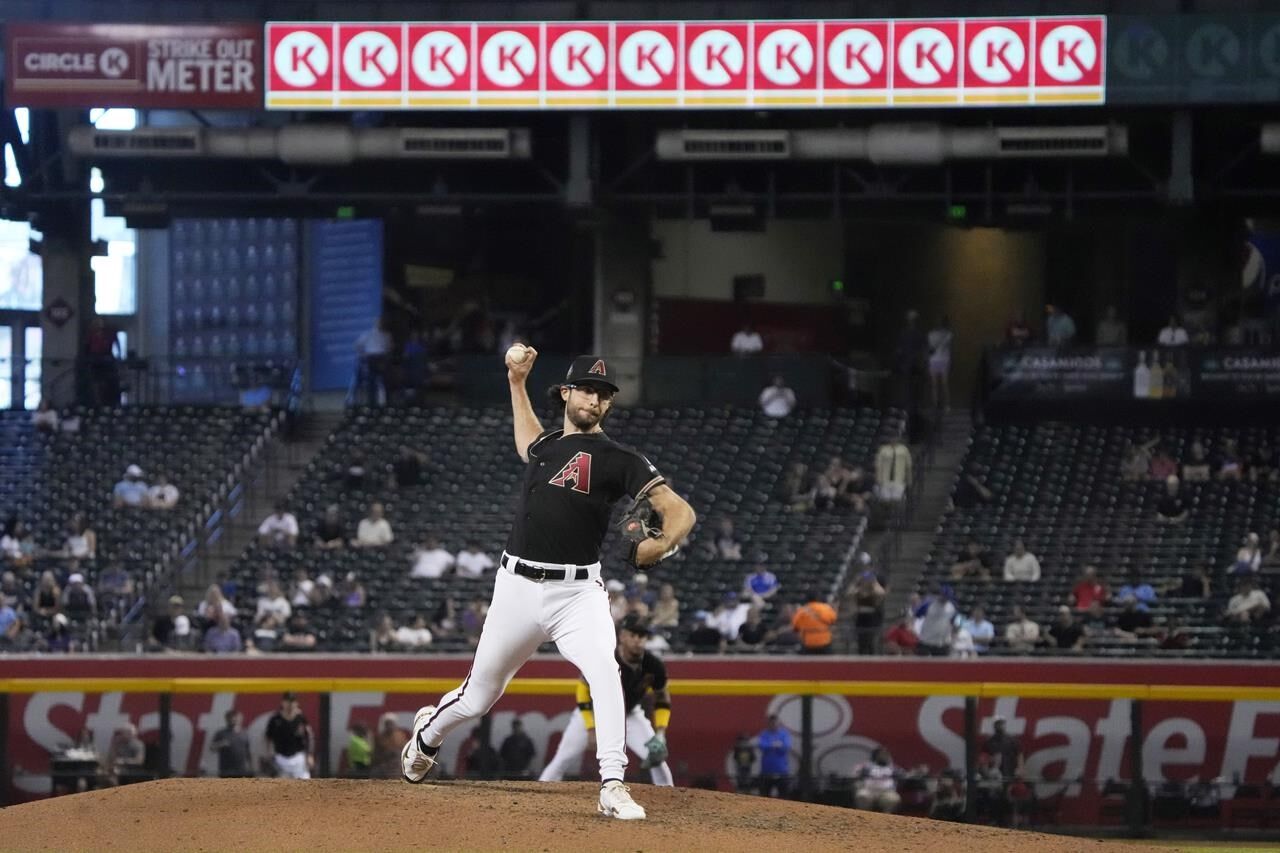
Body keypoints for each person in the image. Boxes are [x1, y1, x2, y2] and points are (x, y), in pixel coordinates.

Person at [400, 352, 695, 824]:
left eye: (602, 393)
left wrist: (660, 546)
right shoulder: (546, 446)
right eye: (585, 389)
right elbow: (527, 440)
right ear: (566, 393)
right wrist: (516, 382)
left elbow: (679, 510)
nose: (594, 399)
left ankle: (613, 783)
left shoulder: (620, 459)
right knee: (479, 696)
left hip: (578, 594)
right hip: (516, 586)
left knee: (606, 670)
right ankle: (426, 736)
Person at [538, 615, 674, 787]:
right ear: (622, 636)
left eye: (643, 636)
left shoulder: (654, 665)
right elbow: (583, 690)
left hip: (629, 715)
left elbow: (662, 698)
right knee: (562, 759)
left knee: (658, 759)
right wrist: (591, 728)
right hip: (594, 714)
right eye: (633, 635)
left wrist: (661, 733)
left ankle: (672, 804)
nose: (638, 640)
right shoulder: (607, 656)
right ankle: (537, 796)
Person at [265, 692, 314, 779]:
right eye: (288, 701)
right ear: (283, 703)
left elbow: (309, 737)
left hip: (298, 758)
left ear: (296, 703)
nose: (290, 704)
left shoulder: (301, 718)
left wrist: (309, 755)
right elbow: (268, 737)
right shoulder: (276, 719)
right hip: (281, 758)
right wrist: (269, 753)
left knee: (305, 784)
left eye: (293, 701)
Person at [354, 316, 392, 406]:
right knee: (373, 381)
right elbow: (357, 345)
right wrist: (363, 355)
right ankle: (373, 403)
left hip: (381, 358)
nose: (380, 324)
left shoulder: (386, 335)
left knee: (382, 381)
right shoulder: (368, 334)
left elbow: (389, 347)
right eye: (379, 323)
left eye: (381, 323)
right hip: (373, 358)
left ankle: (382, 403)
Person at [853, 747, 902, 813]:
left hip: (886, 792)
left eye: (885, 754)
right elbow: (856, 777)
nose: (883, 756)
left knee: (893, 799)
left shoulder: (894, 768)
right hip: (869, 791)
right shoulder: (866, 766)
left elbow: (903, 777)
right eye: (881, 754)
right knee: (862, 795)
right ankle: (863, 817)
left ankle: (886, 819)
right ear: (876, 755)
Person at [757, 714, 792, 797]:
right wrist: (775, 745)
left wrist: (771, 746)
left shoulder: (784, 734)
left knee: (783, 796)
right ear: (768, 723)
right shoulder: (764, 734)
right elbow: (762, 746)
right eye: (771, 723)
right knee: (764, 795)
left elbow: (786, 747)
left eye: (775, 723)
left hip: (781, 771)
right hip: (766, 771)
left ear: (778, 723)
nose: (773, 725)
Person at [211, 710, 253, 777]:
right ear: (227, 719)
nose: (235, 720)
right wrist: (221, 744)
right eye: (232, 718)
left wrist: (251, 766)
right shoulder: (221, 733)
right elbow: (212, 748)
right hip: (226, 770)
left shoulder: (245, 733)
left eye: (237, 718)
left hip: (242, 770)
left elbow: (248, 751)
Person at [874, 432, 912, 503]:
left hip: (899, 479)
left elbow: (908, 466)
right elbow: (878, 466)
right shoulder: (883, 450)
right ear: (889, 439)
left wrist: (909, 480)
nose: (893, 440)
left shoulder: (904, 449)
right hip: (885, 480)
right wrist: (878, 480)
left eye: (895, 438)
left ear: (898, 439)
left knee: (898, 501)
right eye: (892, 438)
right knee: (885, 501)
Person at [927, 316, 953, 412]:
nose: (939, 323)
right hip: (934, 360)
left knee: (944, 384)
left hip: (944, 360)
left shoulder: (948, 334)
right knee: (934, 385)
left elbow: (947, 343)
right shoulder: (931, 334)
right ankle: (935, 405)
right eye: (937, 322)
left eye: (940, 322)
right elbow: (930, 348)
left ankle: (946, 405)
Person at [372, 713, 409, 779]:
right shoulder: (380, 737)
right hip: (384, 765)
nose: (389, 726)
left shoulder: (401, 736)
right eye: (387, 724)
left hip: (397, 764)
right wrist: (386, 755)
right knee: (375, 772)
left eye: (391, 723)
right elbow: (375, 754)